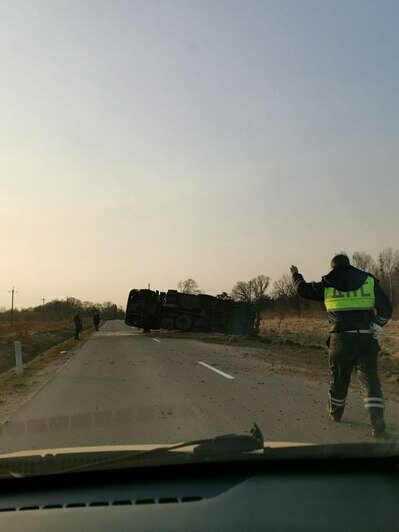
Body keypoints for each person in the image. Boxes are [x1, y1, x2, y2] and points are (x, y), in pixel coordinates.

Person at [290, 254, 393, 437]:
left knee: (339, 379)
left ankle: (335, 414)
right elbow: (387, 309)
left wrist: (295, 275)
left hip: (340, 339)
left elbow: (303, 290)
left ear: (333, 267)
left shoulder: (327, 283)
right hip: (366, 338)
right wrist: (376, 325)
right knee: (370, 382)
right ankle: (377, 425)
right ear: (349, 265)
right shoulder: (369, 281)